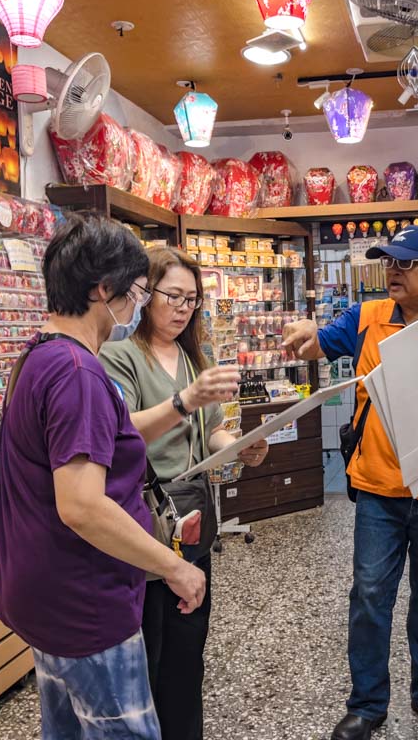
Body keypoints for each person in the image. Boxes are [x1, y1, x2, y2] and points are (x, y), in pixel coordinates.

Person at [282, 226, 418, 740]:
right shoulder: (366, 318)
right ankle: (366, 704)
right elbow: (317, 344)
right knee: (369, 596)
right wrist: (301, 331)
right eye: (389, 264)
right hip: (378, 488)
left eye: (406, 264)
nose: (394, 273)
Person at [0, 215, 206, 740]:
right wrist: (174, 568)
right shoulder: (80, 373)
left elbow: (94, 443)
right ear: (103, 290)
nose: (136, 307)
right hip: (84, 599)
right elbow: (82, 505)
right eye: (136, 292)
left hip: (41, 591)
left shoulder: (40, 357)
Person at [100, 247, 269, 739]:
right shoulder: (120, 356)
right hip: (145, 515)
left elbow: (210, 430)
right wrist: (182, 401)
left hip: (192, 511)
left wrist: (238, 449)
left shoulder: (195, 357)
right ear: (145, 294)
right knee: (151, 642)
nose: (181, 308)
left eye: (191, 300)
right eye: (172, 295)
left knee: (188, 644)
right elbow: (121, 431)